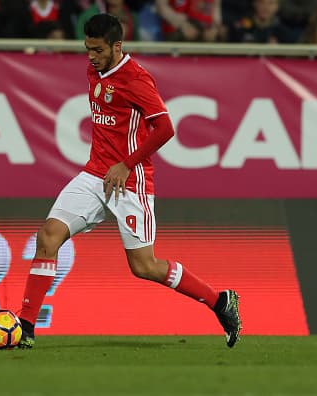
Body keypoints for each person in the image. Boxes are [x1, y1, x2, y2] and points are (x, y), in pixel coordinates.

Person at [17, 12, 242, 349]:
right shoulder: (94, 69)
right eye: (87, 50)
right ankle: (25, 329)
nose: (91, 57)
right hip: (95, 174)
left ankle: (220, 301)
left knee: (144, 266)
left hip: (130, 180)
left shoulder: (136, 78)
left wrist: (126, 164)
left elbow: (166, 128)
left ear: (117, 46)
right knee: (48, 236)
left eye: (97, 50)